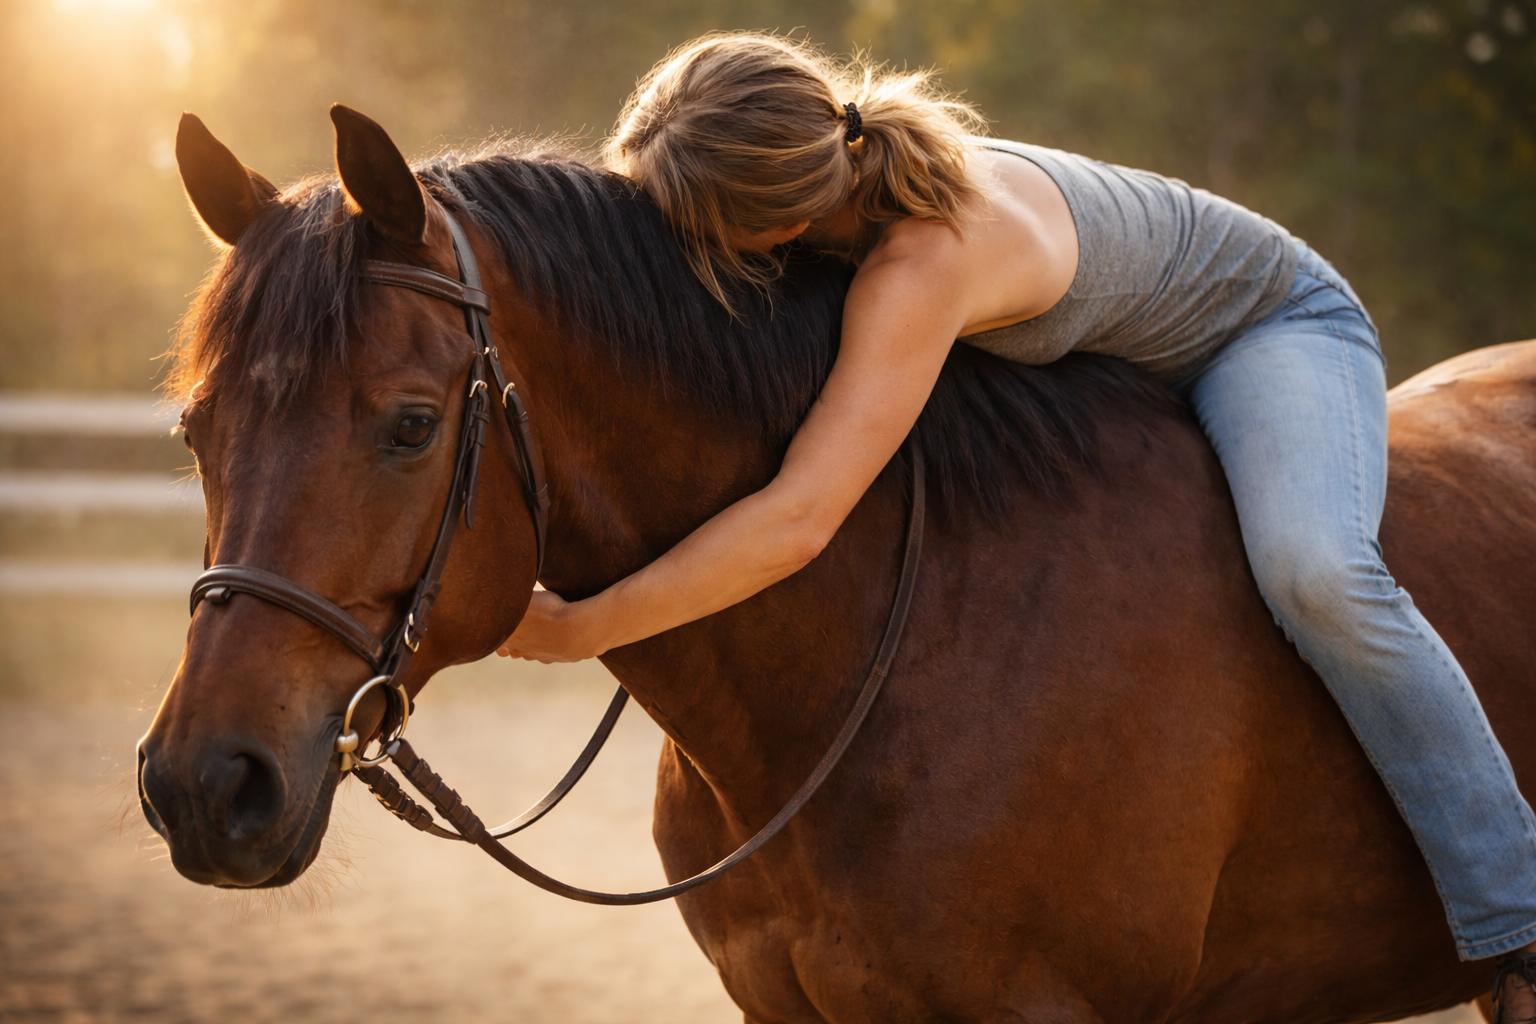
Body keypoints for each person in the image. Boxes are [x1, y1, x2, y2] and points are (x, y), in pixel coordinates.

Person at [496, 32, 1536, 1014]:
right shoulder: (838, 194)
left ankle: (1516, 911)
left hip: (1265, 328)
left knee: (1319, 572)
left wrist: (591, 625)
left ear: (775, 228)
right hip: (1118, 361)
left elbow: (801, 519)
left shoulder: (923, 263)